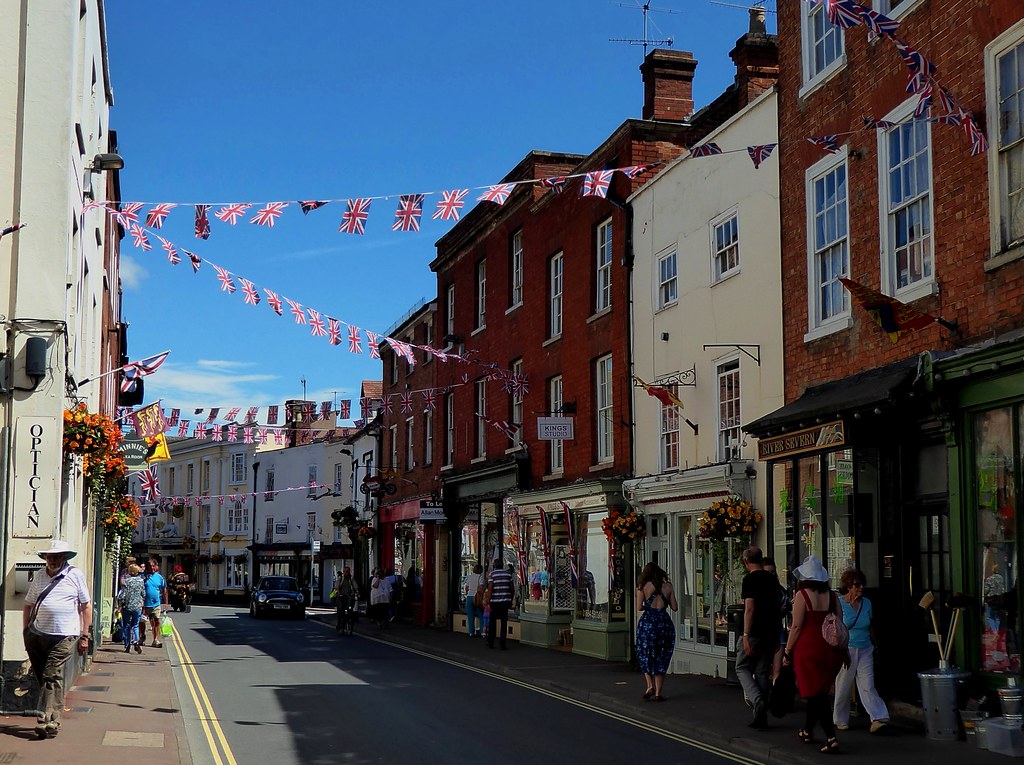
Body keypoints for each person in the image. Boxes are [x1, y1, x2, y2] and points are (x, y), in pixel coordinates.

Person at [22, 540, 92, 740]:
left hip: (65, 635)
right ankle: (52, 717)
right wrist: (25, 631)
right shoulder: (40, 576)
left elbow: (85, 606)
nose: (52, 559)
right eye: (49, 556)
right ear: (45, 558)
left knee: (51, 674)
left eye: (56, 556)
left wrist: (84, 635)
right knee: (44, 677)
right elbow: (28, 605)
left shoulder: (75, 575)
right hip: (37, 634)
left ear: (64, 557)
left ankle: (48, 719)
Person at [782, 555, 847, 754]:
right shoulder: (833, 596)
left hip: (808, 648)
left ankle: (831, 737)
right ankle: (807, 731)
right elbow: (839, 623)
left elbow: (797, 626)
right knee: (817, 691)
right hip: (830, 649)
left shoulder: (802, 595)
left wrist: (787, 650)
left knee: (815, 695)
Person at [833, 568, 889, 734]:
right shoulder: (839, 603)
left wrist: (875, 645)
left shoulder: (867, 603)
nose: (860, 587)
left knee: (868, 684)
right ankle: (840, 719)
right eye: (857, 584)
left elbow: (870, 625)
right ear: (848, 586)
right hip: (847, 649)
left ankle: (878, 717)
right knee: (843, 685)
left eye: (862, 584)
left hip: (865, 648)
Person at [736, 546, 782, 729]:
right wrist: (777, 635)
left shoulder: (749, 580)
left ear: (746, 562)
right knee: (762, 671)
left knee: (741, 666)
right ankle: (760, 717)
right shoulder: (772, 580)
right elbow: (777, 608)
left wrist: (746, 635)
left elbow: (750, 609)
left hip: (754, 631)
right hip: (770, 632)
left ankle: (757, 700)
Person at [635, 561, 678, 702]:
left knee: (645, 654)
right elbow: (675, 607)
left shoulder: (642, 587)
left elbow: (639, 607)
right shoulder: (668, 586)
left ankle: (649, 686)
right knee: (662, 655)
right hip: (664, 623)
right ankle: (659, 693)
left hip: (648, 623)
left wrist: (648, 604)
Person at [762, 557, 791, 681]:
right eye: (767, 572)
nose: (771, 575)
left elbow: (788, 606)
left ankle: (776, 694)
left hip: (778, 631)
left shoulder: (781, 590)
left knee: (777, 669)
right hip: (763, 632)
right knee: (762, 668)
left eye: (772, 572)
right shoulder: (759, 591)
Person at [486, 561, 515, 650]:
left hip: (495, 602)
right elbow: (512, 588)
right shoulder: (508, 574)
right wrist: (510, 599)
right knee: (504, 623)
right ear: (502, 566)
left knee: (492, 622)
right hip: (505, 602)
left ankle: (491, 642)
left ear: (494, 566)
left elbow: (490, 588)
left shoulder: (492, 574)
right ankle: (503, 644)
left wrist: (488, 601)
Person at [117, 563, 145, 654]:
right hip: (137, 607)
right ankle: (136, 641)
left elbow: (122, 595)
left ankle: (127, 645)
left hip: (127, 606)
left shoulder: (127, 582)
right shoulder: (141, 581)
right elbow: (143, 594)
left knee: (126, 625)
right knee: (135, 625)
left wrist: (119, 606)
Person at [142, 556, 167, 648]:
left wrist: (166, 603)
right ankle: (142, 637)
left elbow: (164, 590)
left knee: (157, 620)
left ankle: (155, 640)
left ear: (156, 566)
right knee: (142, 621)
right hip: (144, 604)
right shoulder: (143, 576)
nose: (151, 568)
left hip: (156, 603)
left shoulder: (160, 578)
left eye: (153, 566)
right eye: (150, 566)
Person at [334, 567, 358, 632]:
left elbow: (355, 586)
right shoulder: (340, 578)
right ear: (343, 572)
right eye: (346, 571)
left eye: (348, 571)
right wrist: (338, 593)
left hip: (349, 597)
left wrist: (357, 592)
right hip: (341, 597)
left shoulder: (351, 579)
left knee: (350, 609)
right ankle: (340, 626)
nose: (347, 573)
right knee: (340, 611)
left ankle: (349, 620)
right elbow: (337, 587)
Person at [464, 563, 484, 637]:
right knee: (481, 615)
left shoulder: (469, 577)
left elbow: (466, 588)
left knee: (470, 616)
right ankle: (482, 632)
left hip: (469, 597)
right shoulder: (480, 577)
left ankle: (471, 632)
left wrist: (467, 594)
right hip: (477, 597)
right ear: (480, 570)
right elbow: (481, 587)